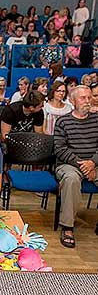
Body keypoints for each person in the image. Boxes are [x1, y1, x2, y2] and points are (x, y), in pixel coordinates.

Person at [54, 85, 98, 248]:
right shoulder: (63, 121)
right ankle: (67, 227)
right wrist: (84, 165)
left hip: (94, 163)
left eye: (89, 97)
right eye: (82, 98)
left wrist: (92, 163)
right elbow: (60, 149)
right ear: (72, 101)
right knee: (71, 179)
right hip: (70, 164)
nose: (87, 101)